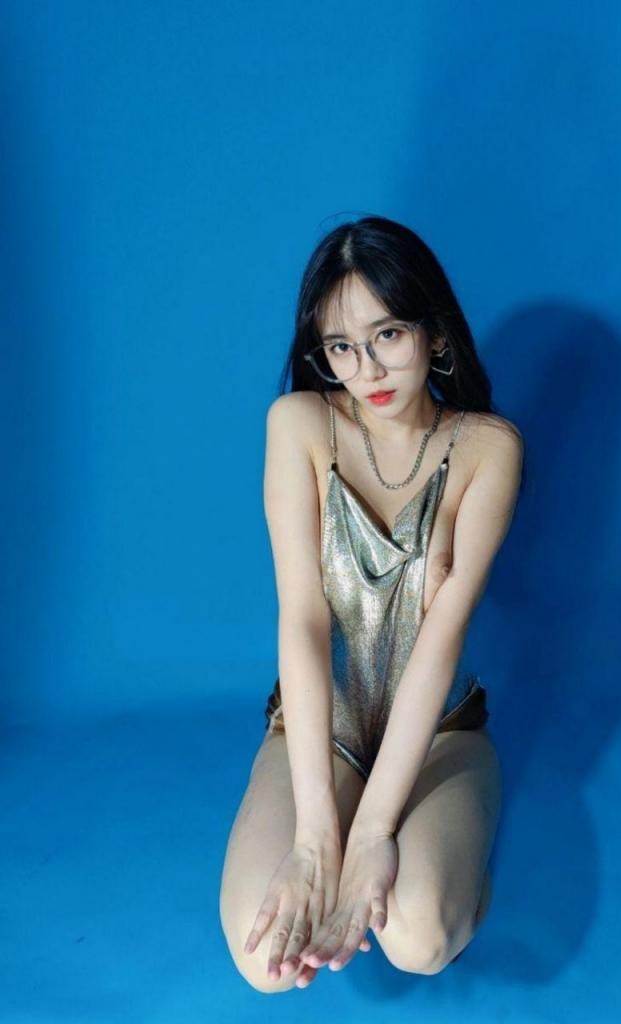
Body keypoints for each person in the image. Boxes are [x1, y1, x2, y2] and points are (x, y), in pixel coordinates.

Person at [219, 215, 524, 993]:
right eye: (342, 347)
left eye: (388, 335)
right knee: (264, 962)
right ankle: (345, 825)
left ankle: (457, 863)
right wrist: (318, 839)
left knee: (417, 939)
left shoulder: (488, 448)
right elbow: (302, 620)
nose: (369, 369)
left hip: (440, 736)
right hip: (321, 732)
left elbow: (442, 633)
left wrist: (375, 833)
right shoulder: (299, 425)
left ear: (435, 333)